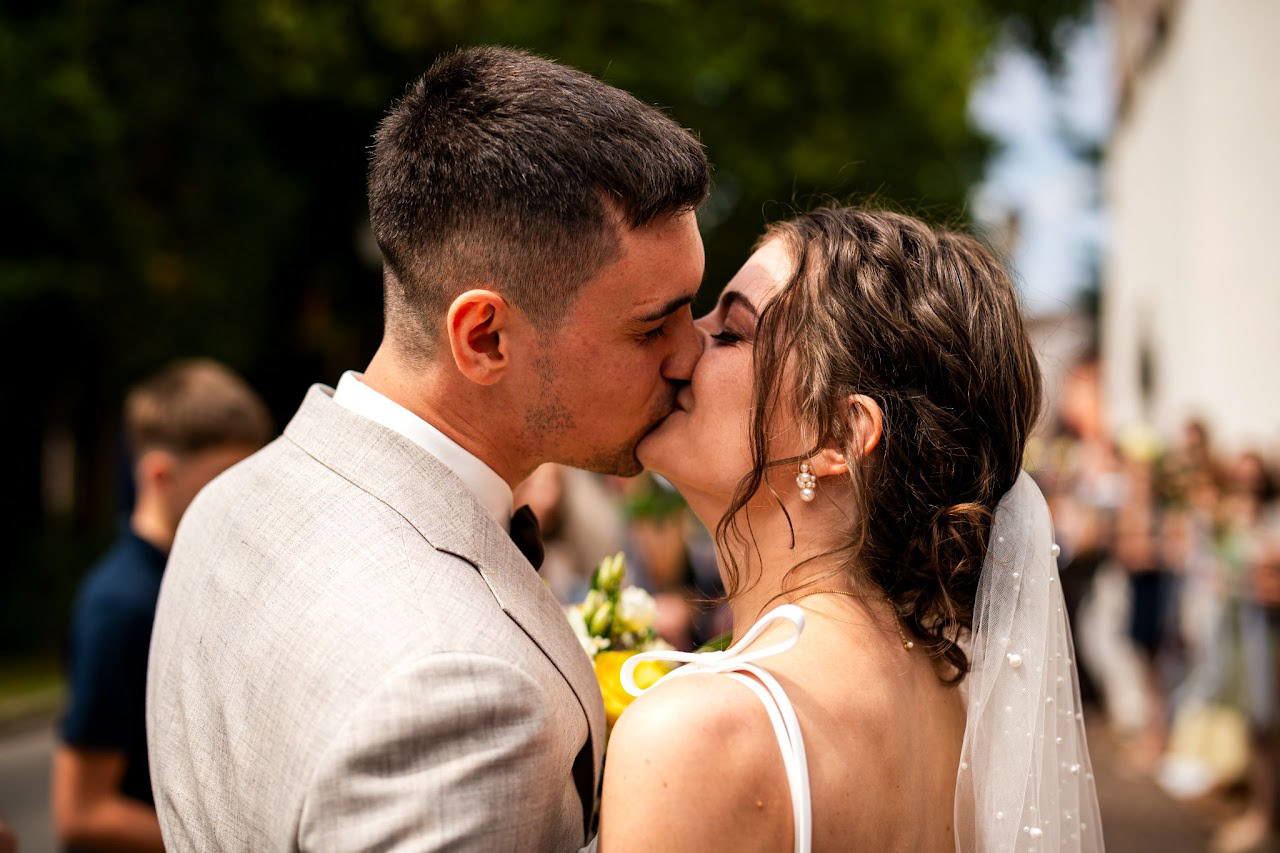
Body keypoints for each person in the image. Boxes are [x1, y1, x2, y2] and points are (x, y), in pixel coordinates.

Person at [146, 46, 708, 851]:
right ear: (483, 337)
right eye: (653, 324)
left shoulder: (232, 501)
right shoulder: (460, 695)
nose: (689, 355)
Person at [600, 208, 1103, 851]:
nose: (681, 342)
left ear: (836, 435)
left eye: (729, 331)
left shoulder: (702, 733)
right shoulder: (964, 712)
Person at [53, 359, 271, 852]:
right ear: (159, 474)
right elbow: (82, 813)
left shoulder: (200, 574)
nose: (245, 496)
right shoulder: (120, 605)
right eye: (223, 477)